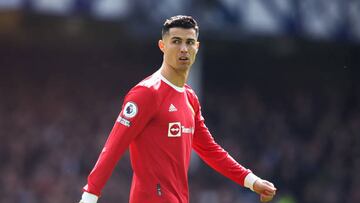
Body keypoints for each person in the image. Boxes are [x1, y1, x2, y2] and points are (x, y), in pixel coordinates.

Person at [79, 15, 276, 203]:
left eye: (189, 42)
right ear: (162, 46)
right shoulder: (146, 93)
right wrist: (89, 196)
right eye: (176, 41)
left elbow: (210, 150)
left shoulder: (190, 98)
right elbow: (113, 147)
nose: (183, 48)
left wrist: (251, 181)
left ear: (196, 47)